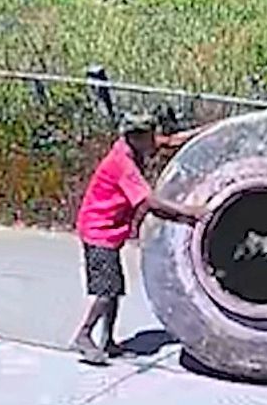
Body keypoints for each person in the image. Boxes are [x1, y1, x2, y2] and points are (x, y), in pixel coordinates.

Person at [72, 113, 207, 365]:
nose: (154, 141)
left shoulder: (135, 147)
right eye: (149, 137)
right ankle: (83, 335)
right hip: (98, 230)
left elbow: (172, 141)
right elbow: (150, 202)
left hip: (111, 231)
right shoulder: (122, 163)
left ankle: (108, 341)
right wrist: (190, 213)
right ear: (135, 137)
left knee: (115, 290)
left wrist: (211, 131)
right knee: (106, 291)